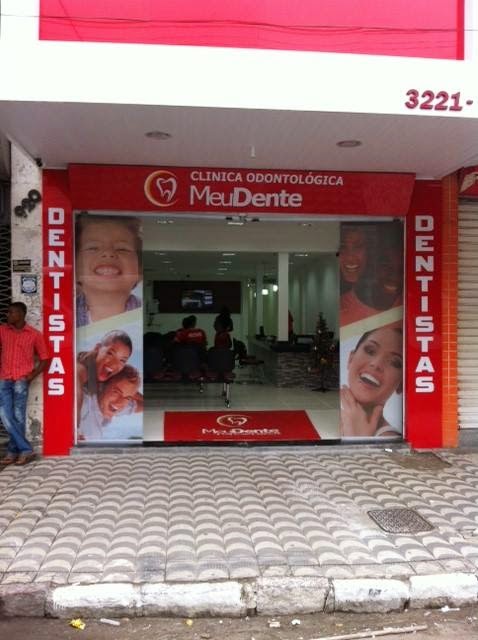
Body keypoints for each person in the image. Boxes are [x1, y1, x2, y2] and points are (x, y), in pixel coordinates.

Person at [0, 302, 50, 465]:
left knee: (18, 416)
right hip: (4, 379)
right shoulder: (3, 331)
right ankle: (26, 449)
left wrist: (32, 375)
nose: (8, 315)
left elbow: (45, 358)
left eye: (12, 312)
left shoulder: (34, 334)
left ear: (21, 314)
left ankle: (13, 451)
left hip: (21, 380)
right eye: (8, 312)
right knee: (4, 414)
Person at [75, 214, 142, 327]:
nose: (108, 253)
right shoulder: (63, 314)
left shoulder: (142, 314)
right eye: (93, 248)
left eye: (122, 249)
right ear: (75, 268)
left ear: (139, 270)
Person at [340, 326, 403, 438]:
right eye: (370, 351)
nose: (376, 364)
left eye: (394, 362)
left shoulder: (390, 438)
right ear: (351, 358)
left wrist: (357, 438)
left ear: (401, 384)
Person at [76, 330, 133, 420]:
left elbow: (132, 392)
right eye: (110, 353)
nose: (114, 364)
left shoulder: (108, 375)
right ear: (97, 348)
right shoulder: (81, 369)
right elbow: (77, 379)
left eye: (122, 360)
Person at [78, 364, 143, 441]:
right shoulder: (84, 403)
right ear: (101, 386)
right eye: (116, 392)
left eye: (128, 397)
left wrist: (131, 390)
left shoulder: (112, 405)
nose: (120, 402)